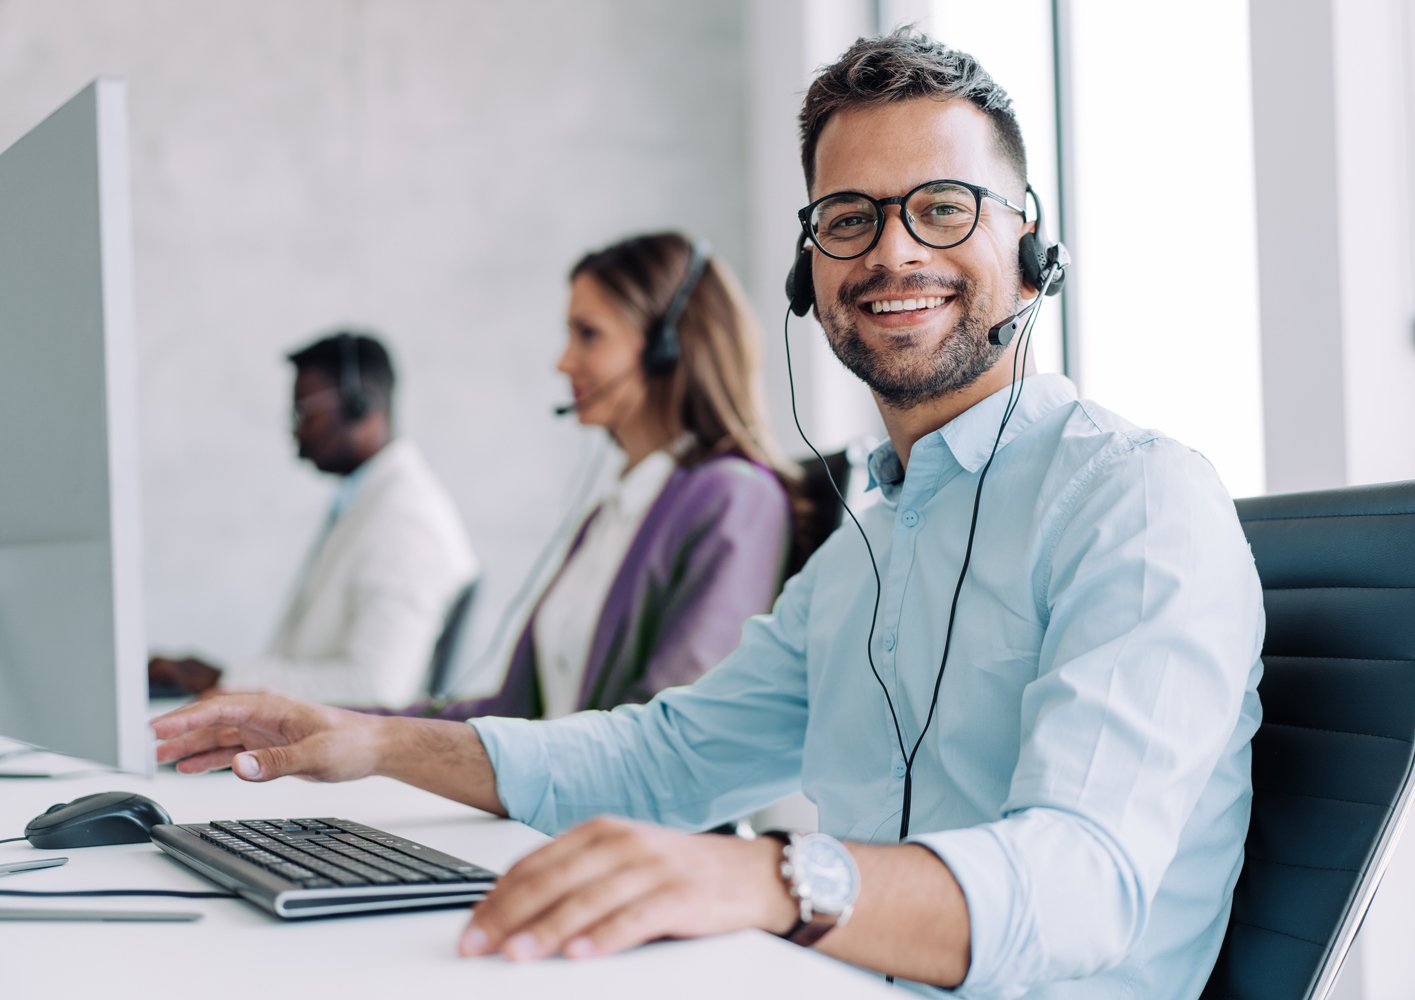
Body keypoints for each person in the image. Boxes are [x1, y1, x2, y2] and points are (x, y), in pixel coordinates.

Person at [152, 30, 1265, 998]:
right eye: (847, 218)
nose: (891, 251)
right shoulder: (867, 546)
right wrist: (374, 742)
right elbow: (665, 756)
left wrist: (767, 876)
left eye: (941, 208)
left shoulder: (1134, 500)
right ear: (807, 274)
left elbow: (1082, 885)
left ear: (1029, 255)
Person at [363, 232, 796, 721]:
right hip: (556, 795)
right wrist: (348, 724)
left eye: (587, 334)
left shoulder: (734, 498)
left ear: (667, 347)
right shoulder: (612, 514)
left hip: (604, 799)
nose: (563, 361)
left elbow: (675, 733)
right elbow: (515, 711)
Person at [149, 331, 478, 706]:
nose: (295, 431)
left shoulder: (406, 520)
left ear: (360, 405)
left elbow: (377, 687)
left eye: (305, 412)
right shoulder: (367, 502)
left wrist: (228, 680)